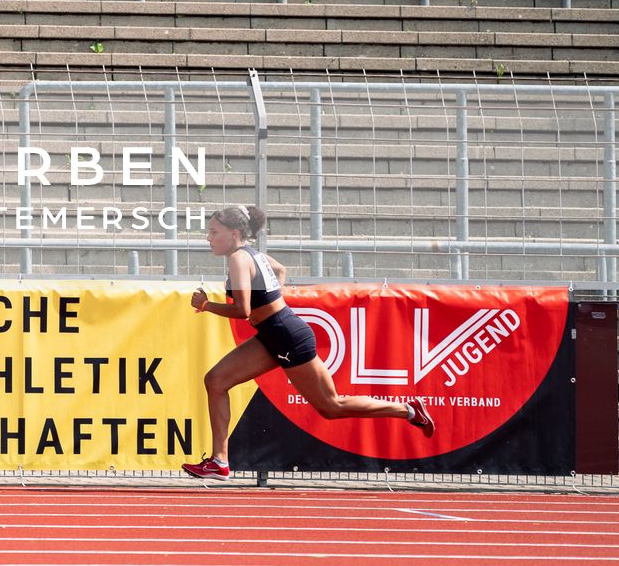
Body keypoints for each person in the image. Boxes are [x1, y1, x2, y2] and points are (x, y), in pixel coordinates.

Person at [182, 204, 433, 480]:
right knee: (216, 380)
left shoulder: (239, 259)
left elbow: (242, 310)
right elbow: (280, 271)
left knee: (331, 406)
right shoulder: (253, 255)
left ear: (234, 233)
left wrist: (206, 305)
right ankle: (220, 461)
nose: (209, 238)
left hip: (286, 335)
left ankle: (408, 410)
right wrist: (274, 303)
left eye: (214, 232)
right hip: (273, 333)